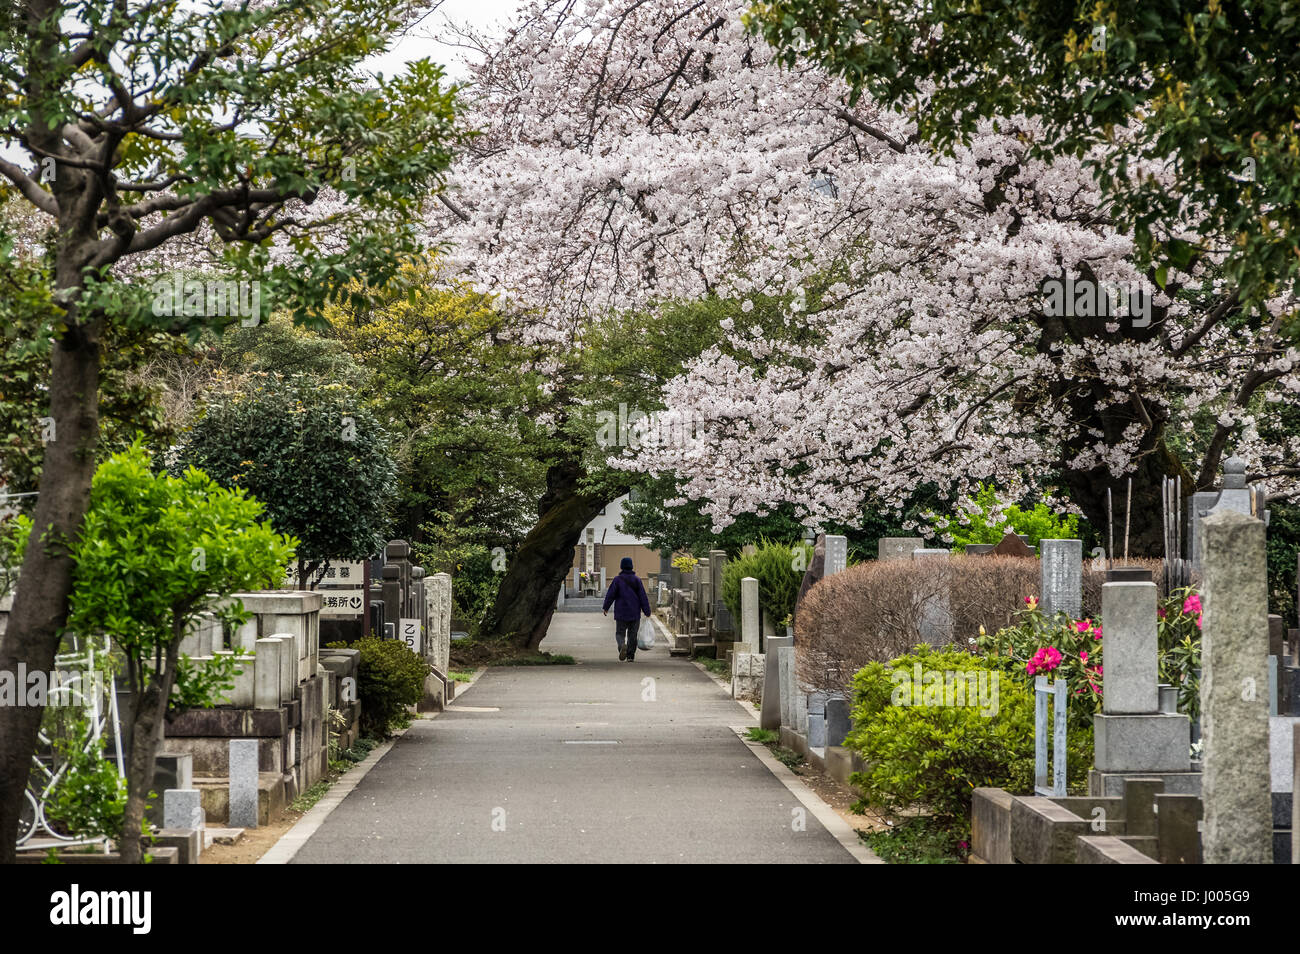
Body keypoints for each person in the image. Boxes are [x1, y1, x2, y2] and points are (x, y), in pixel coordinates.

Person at [602, 556, 651, 661]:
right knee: (632, 635)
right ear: (631, 566)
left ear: (621, 566)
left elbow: (610, 594)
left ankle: (621, 646)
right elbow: (643, 596)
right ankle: (630, 656)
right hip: (634, 612)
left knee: (620, 633)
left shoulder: (617, 580)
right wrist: (647, 611)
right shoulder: (637, 580)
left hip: (621, 612)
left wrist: (606, 607)